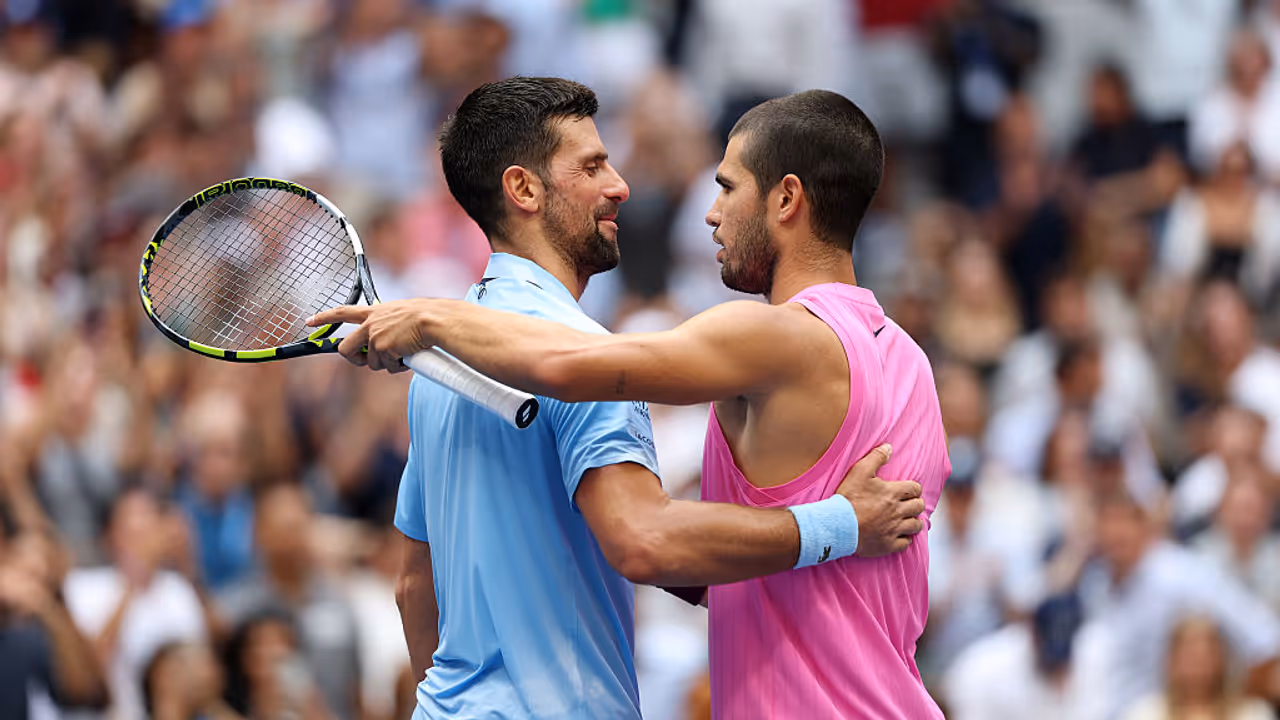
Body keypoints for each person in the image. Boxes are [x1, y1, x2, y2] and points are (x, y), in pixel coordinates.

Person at [313, 84, 947, 718]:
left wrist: (431, 318)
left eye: (726, 187)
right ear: (524, 190)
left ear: (787, 198)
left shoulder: (450, 369)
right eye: (592, 166)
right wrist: (837, 526)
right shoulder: (913, 366)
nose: (622, 186)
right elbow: (656, 544)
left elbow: (414, 587)